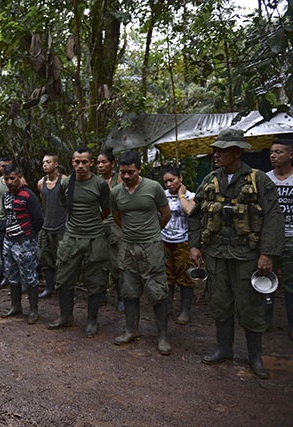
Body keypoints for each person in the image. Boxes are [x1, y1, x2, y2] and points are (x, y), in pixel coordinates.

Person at [189, 129, 284, 379]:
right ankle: (223, 349)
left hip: (247, 255)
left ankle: (255, 357)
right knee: (220, 302)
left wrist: (267, 253)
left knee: (250, 305)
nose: (216, 154)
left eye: (222, 150)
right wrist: (194, 245)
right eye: (216, 150)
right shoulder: (210, 179)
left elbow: (274, 217)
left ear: (237, 153)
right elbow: (196, 214)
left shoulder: (259, 180)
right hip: (217, 253)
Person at [110, 150, 172, 355]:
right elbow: (117, 216)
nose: (126, 176)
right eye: (123, 172)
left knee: (157, 289)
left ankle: (162, 336)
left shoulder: (153, 188)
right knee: (129, 288)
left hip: (150, 245)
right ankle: (131, 330)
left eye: (131, 172)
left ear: (139, 170)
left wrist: (152, 233)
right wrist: (131, 234)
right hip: (127, 245)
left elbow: (165, 214)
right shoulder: (116, 192)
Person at [47, 147, 111, 337]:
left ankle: (92, 320)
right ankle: (65, 316)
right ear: (72, 163)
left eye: (85, 162)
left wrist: (92, 223)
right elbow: (65, 205)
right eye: (77, 162)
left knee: (96, 281)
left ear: (91, 163)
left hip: (95, 237)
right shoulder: (66, 183)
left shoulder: (99, 184)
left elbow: (106, 209)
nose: (81, 166)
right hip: (72, 236)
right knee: (64, 277)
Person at [0, 164, 44, 323]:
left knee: (30, 276)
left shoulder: (28, 195)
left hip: (25, 241)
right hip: (9, 240)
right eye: (7, 179)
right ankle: (15, 306)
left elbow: (38, 219)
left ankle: (33, 310)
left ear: (19, 176)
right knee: (12, 274)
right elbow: (7, 215)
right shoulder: (6, 196)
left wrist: (29, 234)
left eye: (12, 178)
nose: (10, 182)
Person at [161, 166, 196, 324]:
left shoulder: (190, 196)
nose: (169, 184)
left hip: (183, 241)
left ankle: (185, 311)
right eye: (166, 181)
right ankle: (167, 308)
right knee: (167, 276)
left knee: (184, 275)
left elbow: (191, 211)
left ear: (180, 178)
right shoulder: (162, 195)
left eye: (172, 180)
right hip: (165, 240)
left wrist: (181, 195)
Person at [266, 137, 293, 339]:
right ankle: (264, 321)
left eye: (278, 152)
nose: (273, 156)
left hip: (292, 238)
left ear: (290, 155)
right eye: (271, 153)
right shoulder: (265, 180)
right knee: (266, 280)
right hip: (271, 239)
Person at [97, 147, 124, 312]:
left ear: (112, 164)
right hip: (98, 225)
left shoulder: (119, 179)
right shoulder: (94, 181)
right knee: (99, 261)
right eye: (98, 162)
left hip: (115, 224)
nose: (100, 165)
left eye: (104, 162)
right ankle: (100, 294)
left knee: (117, 262)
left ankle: (121, 296)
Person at [36, 153, 66, 298]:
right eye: (43, 162)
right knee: (45, 258)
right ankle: (49, 288)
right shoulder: (41, 183)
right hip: (46, 227)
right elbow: (44, 203)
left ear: (56, 164)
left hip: (62, 228)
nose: (45, 165)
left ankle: (63, 289)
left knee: (63, 260)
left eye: (48, 162)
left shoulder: (65, 181)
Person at [0, 156, 14, 288]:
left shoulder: (18, 180)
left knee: (15, 250)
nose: (3, 168)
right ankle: (5, 276)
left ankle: (17, 278)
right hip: (1, 219)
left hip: (14, 220)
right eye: (2, 166)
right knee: (2, 250)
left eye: (6, 165)